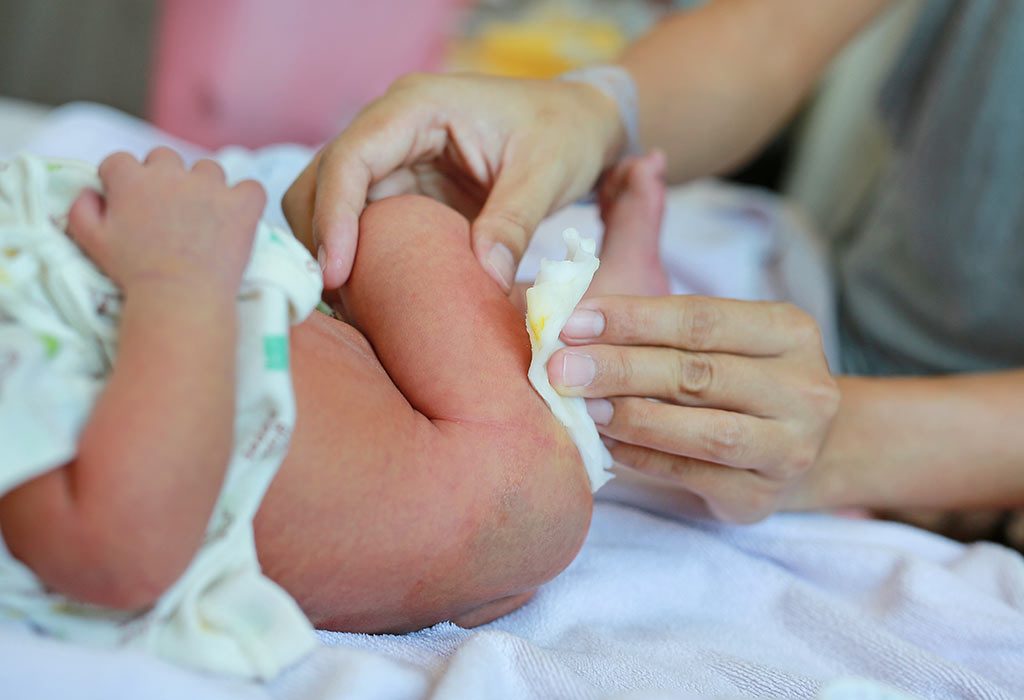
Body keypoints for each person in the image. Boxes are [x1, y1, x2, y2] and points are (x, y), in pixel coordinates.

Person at [282, 0, 1024, 531]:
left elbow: (514, 517)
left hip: (883, 422)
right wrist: (594, 112)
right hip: (804, 306)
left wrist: (856, 443)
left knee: (535, 398)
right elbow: (778, 29)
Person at [0, 144, 671, 674]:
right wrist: (176, 280)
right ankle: (605, 333)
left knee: (383, 244)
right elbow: (124, 548)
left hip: (352, 356)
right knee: (402, 232)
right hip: (491, 478)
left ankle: (600, 318)